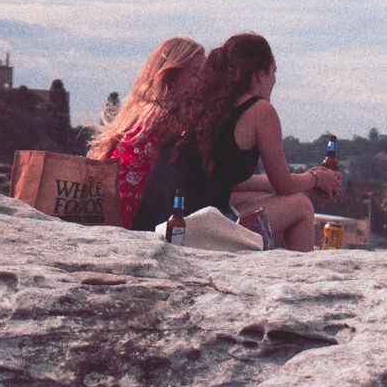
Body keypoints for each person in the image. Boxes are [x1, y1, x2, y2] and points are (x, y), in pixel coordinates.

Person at [139, 32, 339, 251]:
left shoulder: (202, 104)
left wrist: (308, 177)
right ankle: (301, 278)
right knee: (299, 205)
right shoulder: (260, 110)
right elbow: (285, 185)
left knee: (255, 196)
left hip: (155, 224)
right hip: (190, 231)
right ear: (260, 74)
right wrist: (316, 178)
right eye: (273, 72)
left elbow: (219, 179)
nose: (274, 80)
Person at [88, 37, 206, 229]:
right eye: (195, 74)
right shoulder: (170, 116)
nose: (202, 81)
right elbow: (202, 176)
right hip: (140, 222)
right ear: (172, 76)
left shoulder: (140, 111)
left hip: (116, 216)